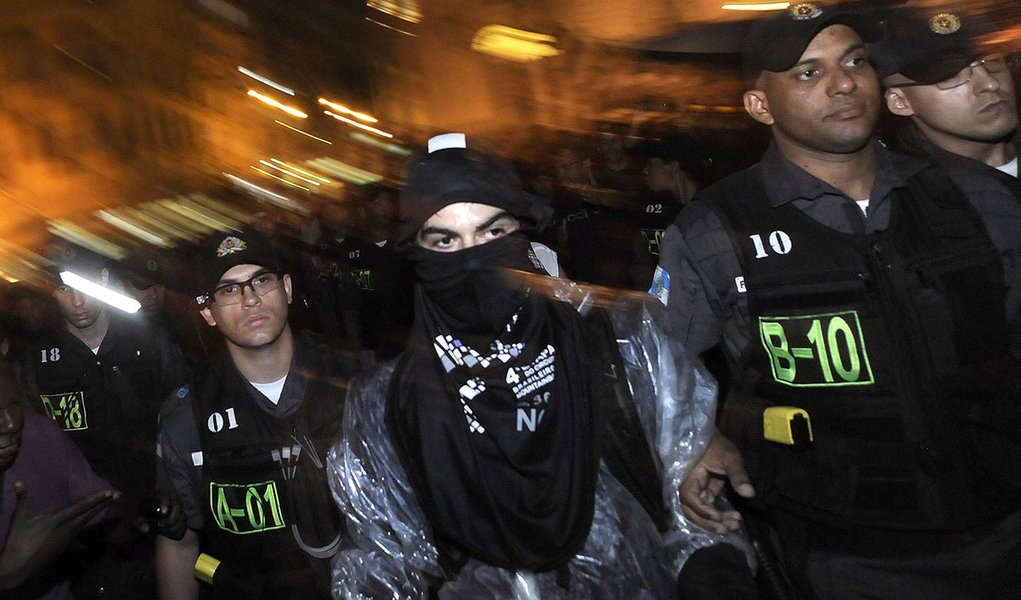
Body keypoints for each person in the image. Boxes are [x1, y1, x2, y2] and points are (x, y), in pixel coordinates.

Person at [653, 5, 1021, 599]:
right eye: (807, 73)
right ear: (760, 105)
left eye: (855, 61)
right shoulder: (716, 230)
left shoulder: (974, 197)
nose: (843, 82)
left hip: (1004, 526)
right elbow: (659, 363)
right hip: (843, 555)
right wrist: (696, 440)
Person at [327, 132, 755, 599]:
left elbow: (697, 515)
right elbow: (381, 564)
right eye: (445, 240)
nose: (474, 258)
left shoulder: (622, 349)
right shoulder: (386, 404)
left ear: (522, 235)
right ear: (418, 254)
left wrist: (716, 578)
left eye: (493, 233)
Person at [155, 227, 358, 600]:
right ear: (208, 312)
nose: (250, 299)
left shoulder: (356, 380)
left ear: (288, 289)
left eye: (260, 281)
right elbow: (180, 543)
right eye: (229, 290)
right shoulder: (189, 413)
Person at [17, 243, 191, 600]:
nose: (78, 301)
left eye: (85, 285)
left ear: (105, 278)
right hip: (84, 537)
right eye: (64, 289)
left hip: (160, 517)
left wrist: (180, 490)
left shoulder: (150, 339)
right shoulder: (37, 363)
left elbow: (188, 424)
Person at [0, 360, 118, 600]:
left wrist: (149, 510)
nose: (10, 424)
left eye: (14, 404)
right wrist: (6, 578)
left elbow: (102, 509)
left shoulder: (41, 435)